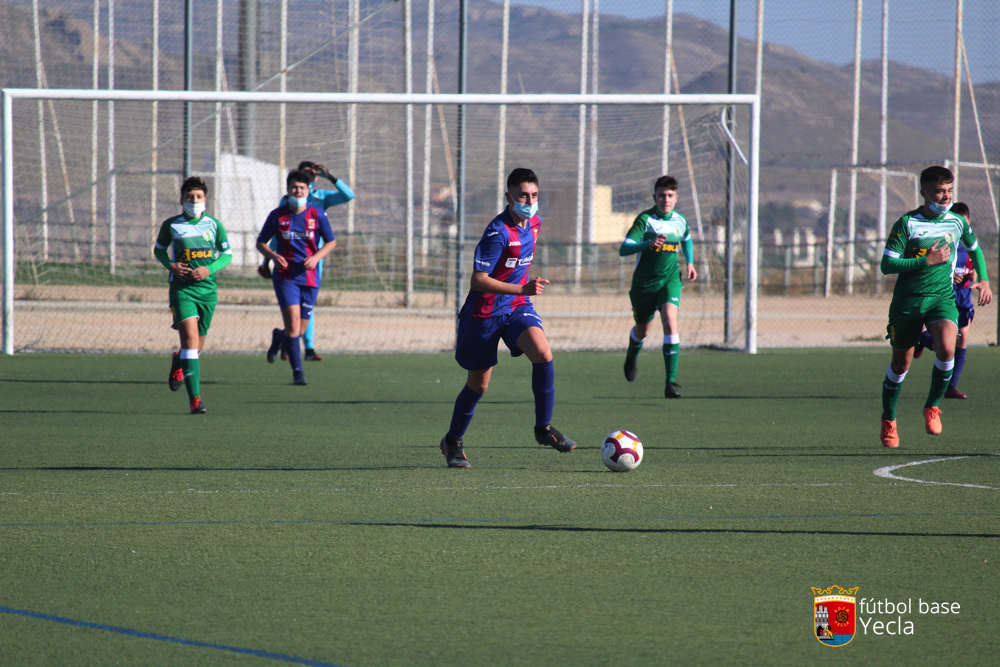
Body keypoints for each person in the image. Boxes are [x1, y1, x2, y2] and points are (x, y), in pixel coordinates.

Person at [439, 167, 576, 468]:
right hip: (484, 313)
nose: (529, 200)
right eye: (523, 195)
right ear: (509, 197)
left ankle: (544, 429)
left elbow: (518, 265)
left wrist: (522, 290)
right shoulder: (497, 232)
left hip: (516, 305)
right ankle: (452, 441)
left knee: (543, 353)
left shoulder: (535, 223)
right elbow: (478, 280)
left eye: (534, 195)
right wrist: (521, 286)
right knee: (479, 385)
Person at [878, 167, 992, 448]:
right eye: (940, 191)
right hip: (908, 302)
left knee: (948, 347)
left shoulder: (956, 222)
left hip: (941, 298)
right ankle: (889, 419)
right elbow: (887, 265)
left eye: (950, 191)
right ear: (924, 193)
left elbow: (975, 249)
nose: (945, 197)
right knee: (900, 364)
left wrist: (986, 280)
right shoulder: (907, 223)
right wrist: (924, 260)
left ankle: (932, 406)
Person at [259, 161, 354, 361]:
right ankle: (298, 348)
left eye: (313, 173)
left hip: (314, 261)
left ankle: (300, 345)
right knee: (294, 311)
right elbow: (278, 235)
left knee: (306, 310)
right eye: (305, 173)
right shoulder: (289, 201)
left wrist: (331, 177)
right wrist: (267, 260)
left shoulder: (322, 198)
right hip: (289, 263)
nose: (309, 176)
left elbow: (348, 196)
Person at [156, 177, 232, 414]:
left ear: (205, 200)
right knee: (189, 340)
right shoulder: (172, 225)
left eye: (198, 197)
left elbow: (227, 255)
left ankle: (179, 361)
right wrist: (171, 266)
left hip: (207, 292)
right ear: (182, 200)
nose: (194, 200)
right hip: (182, 290)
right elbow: (159, 251)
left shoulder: (214, 225)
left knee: (195, 348)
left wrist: (209, 269)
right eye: (190, 197)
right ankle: (195, 400)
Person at [256, 170, 337, 386]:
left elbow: (331, 242)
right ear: (288, 189)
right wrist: (273, 256)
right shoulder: (277, 215)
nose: (298, 191)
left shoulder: (318, 215)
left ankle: (279, 338)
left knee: (298, 330)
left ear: (308, 190)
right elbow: (261, 242)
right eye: (294, 187)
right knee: (293, 324)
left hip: (310, 277)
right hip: (286, 277)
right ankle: (298, 372)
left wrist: (316, 258)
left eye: (302, 187)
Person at [619, 175, 697, 398]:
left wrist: (690, 261)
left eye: (670, 195)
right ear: (655, 197)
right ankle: (632, 354)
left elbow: (687, 238)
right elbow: (624, 249)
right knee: (643, 330)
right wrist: (648, 243)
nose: (666, 199)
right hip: (643, 286)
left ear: (676, 197)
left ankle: (670, 383)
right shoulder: (645, 220)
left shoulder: (680, 220)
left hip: (670, 279)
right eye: (662, 195)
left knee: (670, 322)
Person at [912, 201, 980, 400]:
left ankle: (951, 386)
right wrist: (950, 278)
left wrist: (973, 276)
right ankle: (922, 338)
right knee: (945, 343)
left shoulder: (971, 245)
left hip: (964, 297)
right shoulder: (945, 242)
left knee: (963, 338)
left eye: (965, 223)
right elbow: (931, 269)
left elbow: (973, 266)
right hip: (945, 298)